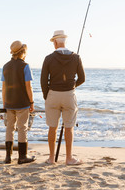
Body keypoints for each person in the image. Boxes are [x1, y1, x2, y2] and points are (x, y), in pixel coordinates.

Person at [41, 30, 85, 165]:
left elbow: (43, 81)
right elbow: (82, 78)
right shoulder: (76, 57)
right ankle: (69, 158)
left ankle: (51, 158)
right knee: (69, 127)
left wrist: (47, 96)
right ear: (64, 41)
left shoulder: (48, 58)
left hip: (53, 94)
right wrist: (71, 86)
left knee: (52, 127)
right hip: (69, 95)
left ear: (55, 42)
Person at [2, 40, 36, 164]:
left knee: (10, 128)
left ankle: (8, 157)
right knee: (22, 128)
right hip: (22, 103)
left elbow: (4, 87)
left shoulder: (5, 66)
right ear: (23, 52)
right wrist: (31, 102)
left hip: (9, 103)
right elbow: (29, 87)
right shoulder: (25, 66)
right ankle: (22, 157)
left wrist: (4, 102)